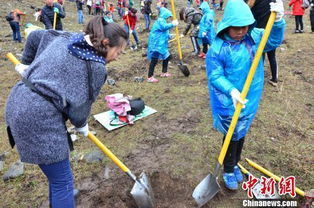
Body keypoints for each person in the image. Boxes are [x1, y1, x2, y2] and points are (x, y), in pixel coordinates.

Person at [5, 16, 128, 207]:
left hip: (18, 99)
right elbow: (79, 109)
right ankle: (63, 196)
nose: (117, 56)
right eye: (118, 51)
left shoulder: (66, 36)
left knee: (59, 179)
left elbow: (34, 36)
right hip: (39, 117)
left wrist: (27, 65)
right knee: (62, 181)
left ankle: (62, 196)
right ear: (105, 43)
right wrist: (81, 125)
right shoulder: (96, 67)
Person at [206, 0, 285, 190]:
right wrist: (231, 90)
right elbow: (215, 75)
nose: (241, 31)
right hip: (228, 100)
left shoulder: (254, 38)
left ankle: (235, 163)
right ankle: (228, 169)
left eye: (244, 27)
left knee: (241, 132)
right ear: (227, 25)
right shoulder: (217, 48)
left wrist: (278, 22)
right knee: (231, 134)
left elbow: (273, 40)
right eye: (236, 28)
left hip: (249, 97)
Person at [248, 0, 280, 86]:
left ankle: (259, 79)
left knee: (259, 56)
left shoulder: (252, 2)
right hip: (269, 30)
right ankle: (274, 79)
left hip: (257, 32)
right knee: (272, 55)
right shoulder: (273, 1)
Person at [146, 7, 178, 83]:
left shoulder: (163, 21)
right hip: (156, 44)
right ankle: (150, 77)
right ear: (165, 15)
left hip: (161, 44)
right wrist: (172, 24)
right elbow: (164, 27)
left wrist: (170, 35)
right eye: (168, 17)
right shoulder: (160, 21)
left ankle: (164, 72)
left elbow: (163, 32)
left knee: (167, 57)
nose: (168, 18)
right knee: (154, 60)